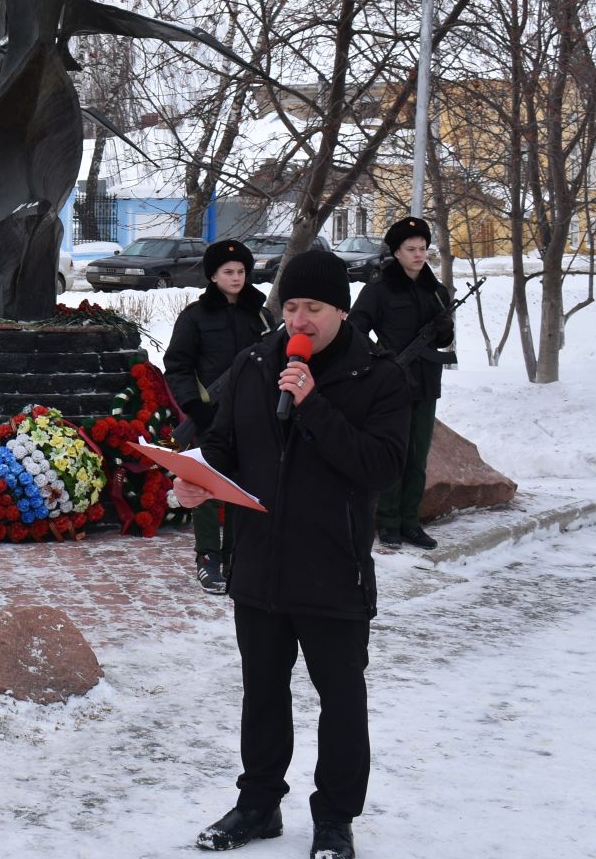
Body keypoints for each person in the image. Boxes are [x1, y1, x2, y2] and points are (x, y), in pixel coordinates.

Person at [174, 249, 408, 859]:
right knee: (263, 691)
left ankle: (335, 819)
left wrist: (313, 405)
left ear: (341, 309)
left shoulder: (378, 374)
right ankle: (258, 805)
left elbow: (382, 466)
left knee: (341, 699)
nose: (299, 320)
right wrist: (196, 477)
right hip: (258, 562)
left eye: (315, 308)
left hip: (333, 565)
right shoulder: (254, 363)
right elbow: (224, 444)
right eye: (292, 306)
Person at [163, 238, 276, 595]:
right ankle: (209, 558)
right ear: (213, 276)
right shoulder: (195, 317)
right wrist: (194, 407)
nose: (237, 277)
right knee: (206, 488)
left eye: (241, 271)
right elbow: (177, 366)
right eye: (228, 272)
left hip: (253, 415)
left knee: (245, 486)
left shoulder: (260, 315)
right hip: (209, 415)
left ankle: (237, 556)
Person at [348, 216, 454, 551]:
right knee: (395, 455)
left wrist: (442, 328)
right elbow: (356, 329)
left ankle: (411, 523)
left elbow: (446, 339)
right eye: (412, 249)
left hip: (425, 383)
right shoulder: (379, 288)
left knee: (417, 457)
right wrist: (379, 359)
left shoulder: (435, 291)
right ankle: (389, 523)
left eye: (423, 248)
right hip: (392, 384)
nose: (419, 254)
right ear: (397, 251)